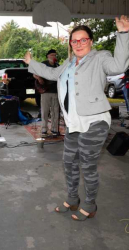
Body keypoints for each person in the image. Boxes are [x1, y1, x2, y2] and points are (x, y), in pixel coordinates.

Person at [24, 15, 129, 221]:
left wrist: (124, 34)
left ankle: (90, 205)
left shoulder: (101, 57)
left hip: (95, 121)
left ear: (91, 41)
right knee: (69, 162)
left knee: (87, 165)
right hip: (74, 122)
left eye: (83, 40)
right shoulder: (70, 62)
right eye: (74, 40)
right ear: (71, 44)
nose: (78, 44)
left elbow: (118, 66)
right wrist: (31, 63)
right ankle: (73, 199)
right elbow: (52, 74)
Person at [33, 49, 60, 137]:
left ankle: (54, 129)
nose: (54, 56)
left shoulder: (57, 65)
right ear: (48, 56)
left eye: (55, 55)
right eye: (52, 55)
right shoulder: (43, 64)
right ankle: (44, 129)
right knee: (45, 111)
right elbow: (34, 73)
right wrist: (39, 79)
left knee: (55, 111)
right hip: (45, 91)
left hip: (55, 91)